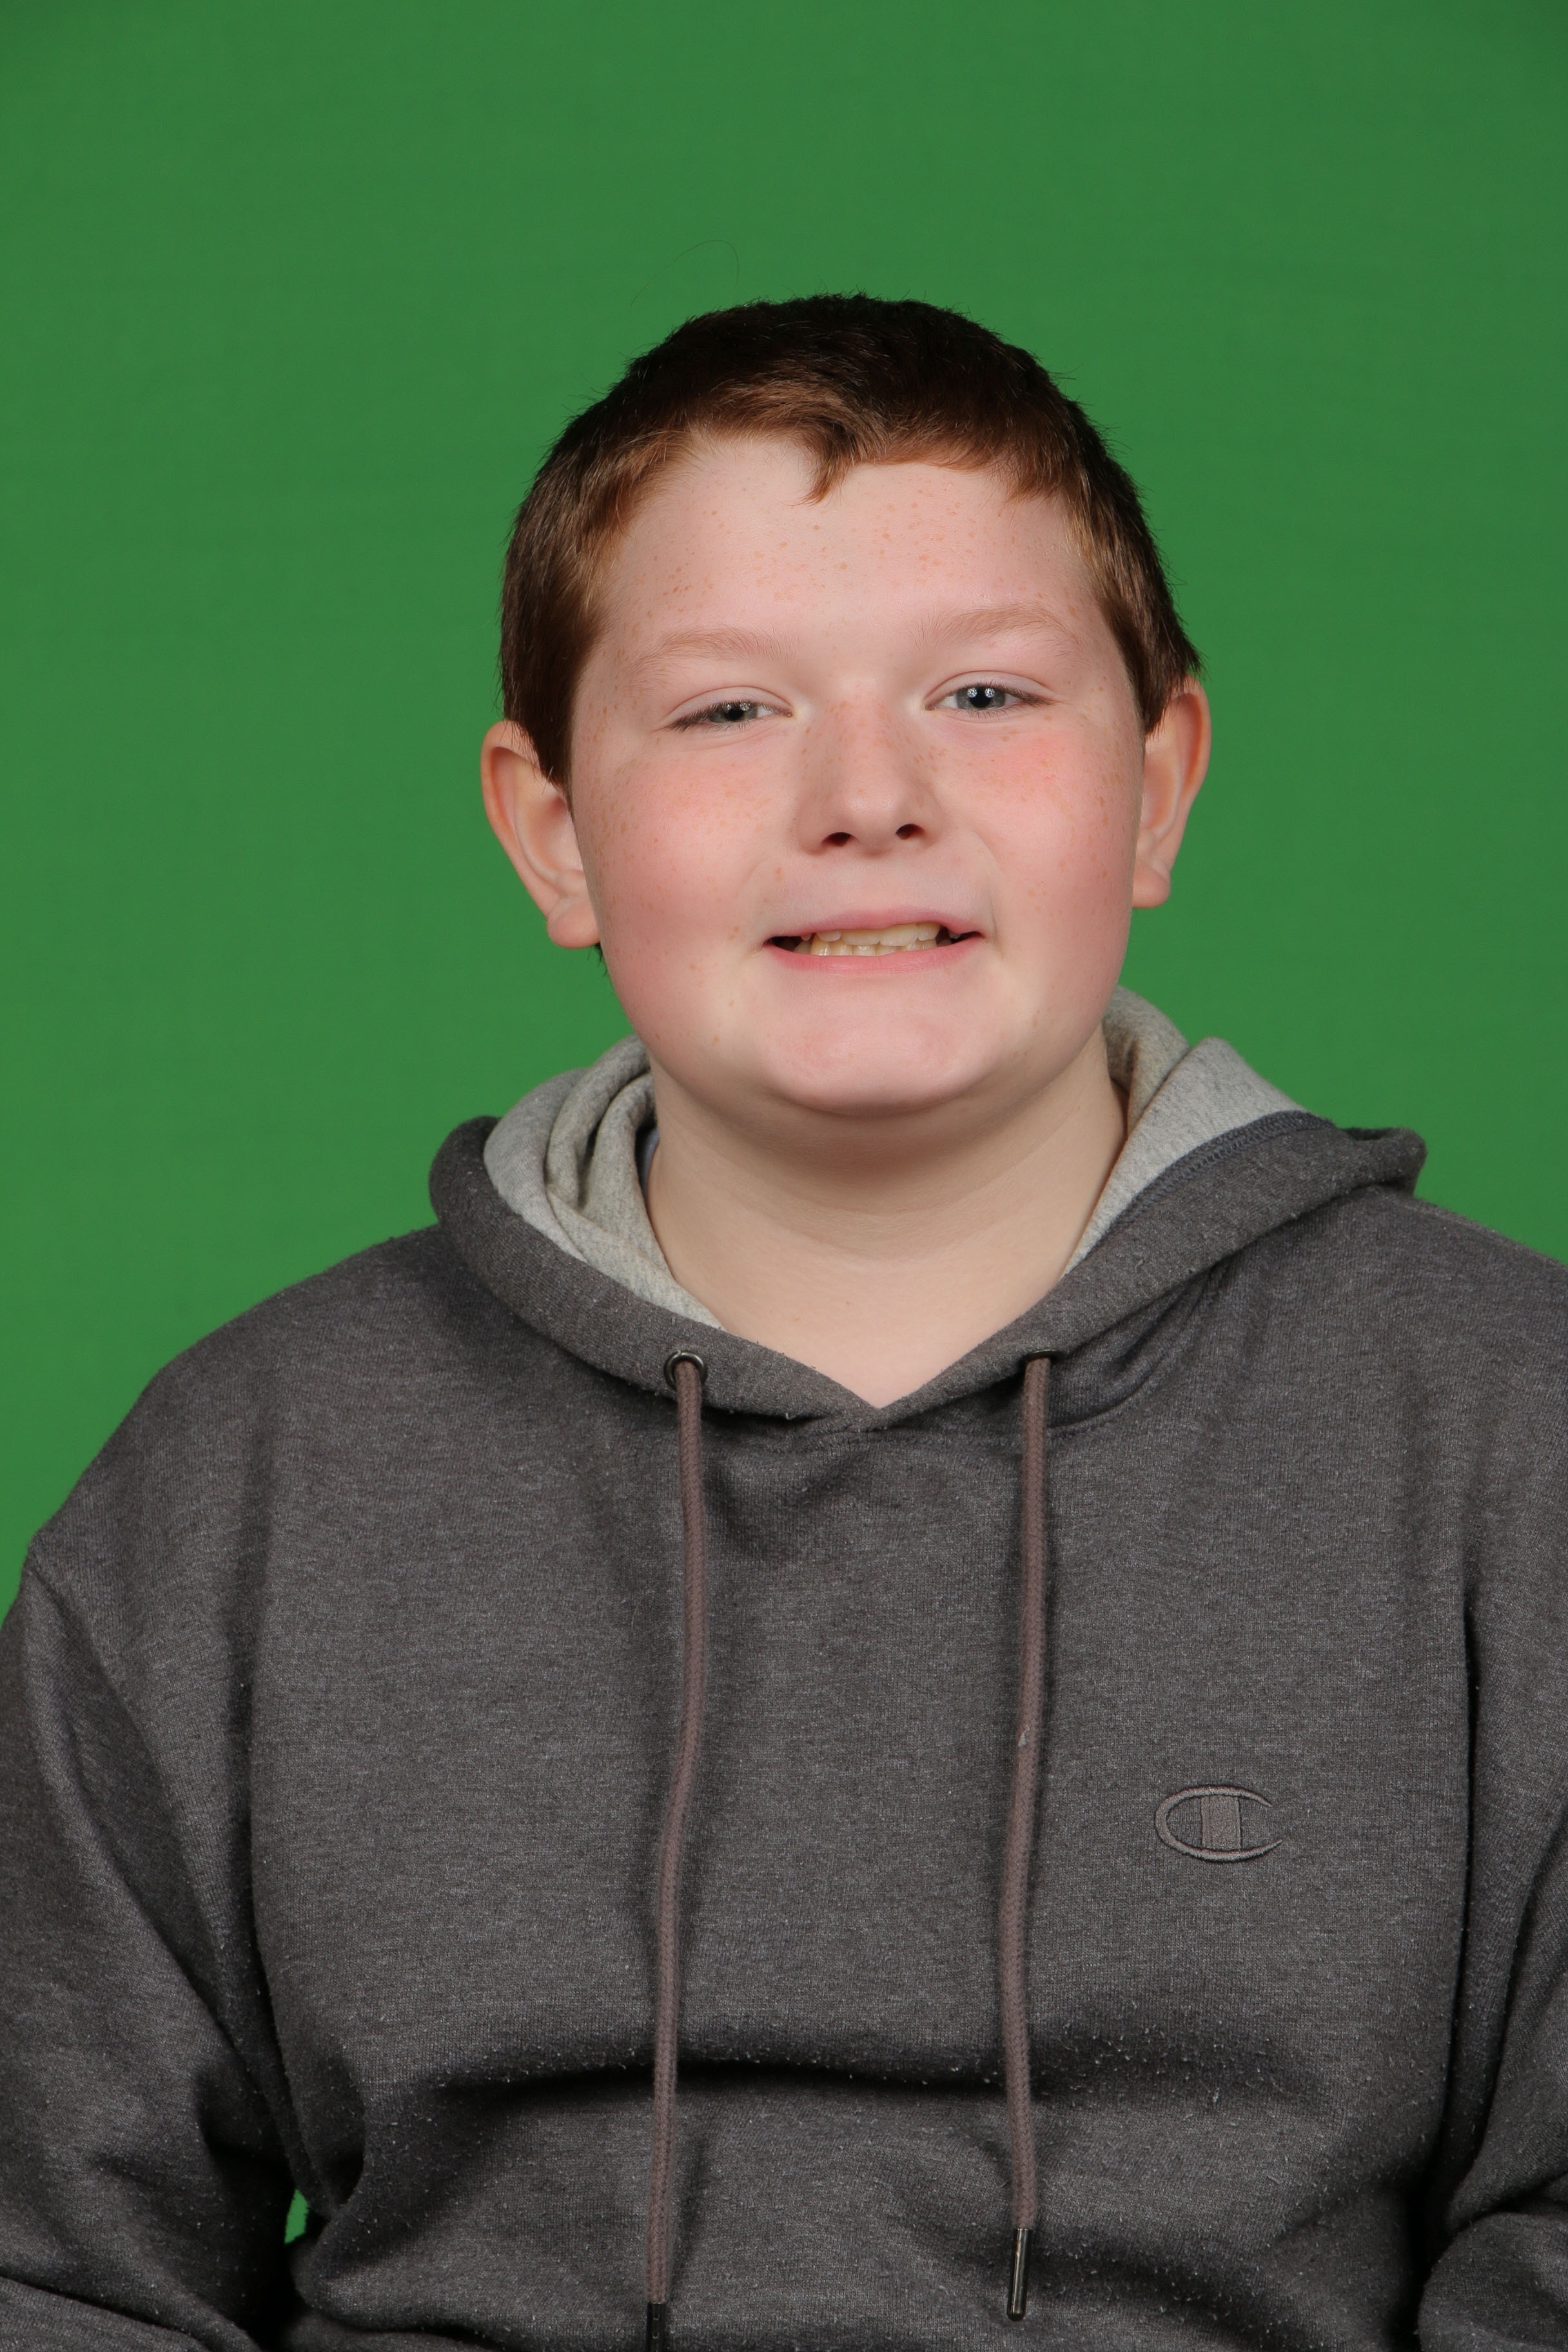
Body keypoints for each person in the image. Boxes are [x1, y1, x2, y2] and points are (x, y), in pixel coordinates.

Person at [1, 295, 1563, 2352]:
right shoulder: (244, 1484)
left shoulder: (1510, 1437)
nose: (867, 797)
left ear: (1158, 787)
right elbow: (54, 2266)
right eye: (731, 710)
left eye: (985, 691)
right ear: (555, 830)